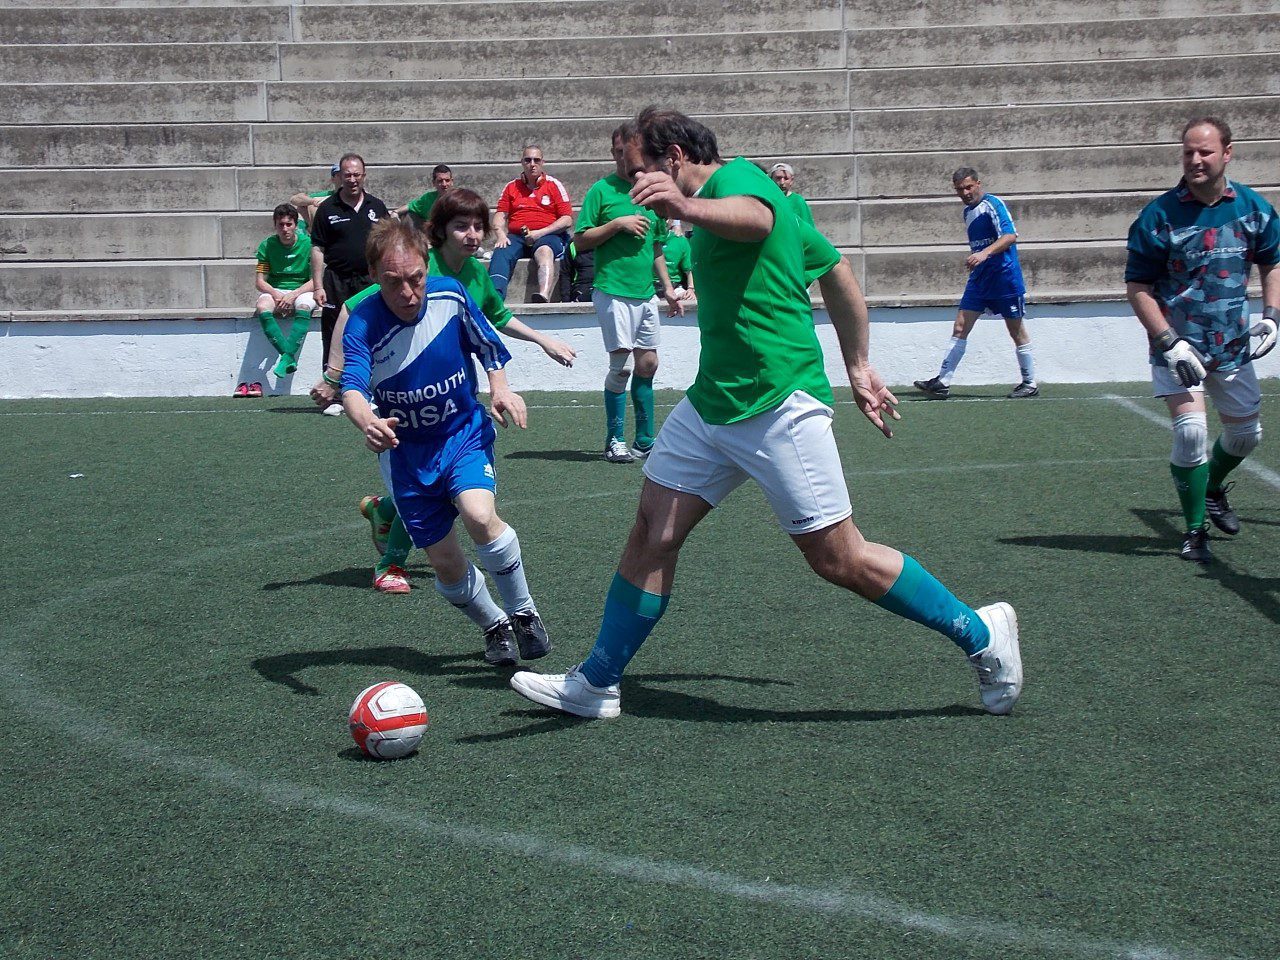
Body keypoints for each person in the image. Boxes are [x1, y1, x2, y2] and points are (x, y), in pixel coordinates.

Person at [509, 107, 1022, 720]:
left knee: (839, 557)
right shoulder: (746, 204)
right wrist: (858, 365)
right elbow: (835, 269)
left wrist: (686, 207)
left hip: (776, 402)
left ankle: (982, 635)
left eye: (641, 167)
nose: (633, 180)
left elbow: (754, 220)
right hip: (715, 402)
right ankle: (598, 682)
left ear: (674, 157)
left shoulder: (739, 184)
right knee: (653, 529)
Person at [315, 189, 577, 593]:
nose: (472, 235)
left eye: (478, 226)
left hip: (451, 401)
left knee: (450, 487)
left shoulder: (473, 274)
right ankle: (392, 562)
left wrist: (541, 341)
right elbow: (353, 308)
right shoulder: (413, 264)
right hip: (402, 402)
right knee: (422, 482)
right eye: (461, 226)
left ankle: (383, 511)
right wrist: (334, 376)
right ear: (438, 231)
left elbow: (496, 319)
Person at [340, 219, 552, 665]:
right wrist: (367, 421)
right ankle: (495, 625)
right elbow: (353, 385)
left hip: (461, 434)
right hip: (408, 456)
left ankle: (524, 612)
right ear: (374, 275)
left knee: (479, 515)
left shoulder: (449, 295)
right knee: (445, 564)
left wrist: (501, 388)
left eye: (415, 278)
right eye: (393, 282)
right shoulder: (361, 323)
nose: (408, 292)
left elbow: (487, 345)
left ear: (426, 265)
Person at [1124, 116, 1280, 563]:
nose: (1195, 159)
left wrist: (1271, 317)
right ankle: (1194, 530)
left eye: (1205, 152)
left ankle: (1212, 488)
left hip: (1233, 346)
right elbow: (1138, 288)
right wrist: (1169, 342)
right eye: (1188, 151)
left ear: (1227, 153)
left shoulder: (1254, 208)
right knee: (1192, 432)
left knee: (1247, 436)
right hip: (1178, 348)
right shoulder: (1158, 216)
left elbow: (1273, 263)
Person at [574, 124, 684, 463]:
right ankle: (614, 440)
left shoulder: (648, 190)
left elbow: (656, 249)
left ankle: (645, 440)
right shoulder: (602, 191)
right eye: (620, 152)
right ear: (613, 153)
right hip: (613, 290)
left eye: (632, 152)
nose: (627, 159)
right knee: (621, 367)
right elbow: (579, 241)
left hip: (644, 293)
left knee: (648, 363)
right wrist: (616, 225)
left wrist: (667, 289)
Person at [914, 167, 1038, 400]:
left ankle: (1030, 382)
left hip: (1004, 277)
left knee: (1016, 330)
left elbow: (1010, 236)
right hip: (980, 280)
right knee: (960, 326)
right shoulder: (967, 212)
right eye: (960, 189)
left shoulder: (993, 204)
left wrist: (984, 254)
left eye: (969, 187)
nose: (965, 193)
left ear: (978, 184)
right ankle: (943, 381)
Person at [311, 153, 391, 415]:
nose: (352, 180)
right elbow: (317, 248)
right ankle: (334, 396)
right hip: (337, 281)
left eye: (357, 174)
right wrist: (317, 285)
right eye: (347, 175)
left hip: (369, 281)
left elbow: (389, 243)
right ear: (339, 177)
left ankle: (371, 392)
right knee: (334, 335)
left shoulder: (376, 206)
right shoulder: (327, 209)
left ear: (364, 175)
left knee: (373, 335)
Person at [488, 143, 574, 303]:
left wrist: (539, 233)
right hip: (517, 237)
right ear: (522, 162)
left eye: (536, 160)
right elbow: (500, 214)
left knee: (545, 252)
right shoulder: (511, 187)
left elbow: (567, 219)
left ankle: (543, 294)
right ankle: (494, 298)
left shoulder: (554, 185)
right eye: (528, 160)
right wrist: (500, 234)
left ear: (543, 163)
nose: (532, 164)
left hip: (548, 235)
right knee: (501, 251)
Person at [249, 203, 316, 385]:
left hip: (303, 289)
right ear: (275, 225)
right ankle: (287, 356)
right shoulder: (267, 245)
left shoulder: (308, 244)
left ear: (295, 225)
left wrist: (293, 295)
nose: (285, 229)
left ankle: (285, 357)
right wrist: (276, 294)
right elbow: (260, 281)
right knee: (262, 306)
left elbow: (316, 280)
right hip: (276, 289)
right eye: (281, 225)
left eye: (289, 224)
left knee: (304, 305)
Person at [397, 164, 454, 230]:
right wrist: (395, 212)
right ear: (433, 183)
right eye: (440, 181)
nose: (444, 184)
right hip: (432, 233)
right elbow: (410, 206)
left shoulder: (459, 198)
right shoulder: (428, 198)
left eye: (447, 180)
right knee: (408, 216)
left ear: (452, 181)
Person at [289, 163, 340, 235]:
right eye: (339, 175)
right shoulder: (325, 196)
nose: (342, 178)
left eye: (345, 175)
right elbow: (294, 199)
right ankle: (302, 240)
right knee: (301, 208)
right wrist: (312, 201)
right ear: (332, 179)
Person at [767, 161, 815, 226]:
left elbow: (808, 228)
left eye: (786, 178)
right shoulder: (766, 200)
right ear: (771, 179)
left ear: (791, 181)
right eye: (778, 178)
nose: (782, 182)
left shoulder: (798, 201)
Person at [656, 218, 694, 299]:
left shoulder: (680, 241)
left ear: (671, 221)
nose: (663, 222)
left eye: (665, 219)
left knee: (687, 297)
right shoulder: (645, 240)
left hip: (675, 286)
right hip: (650, 286)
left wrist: (691, 289)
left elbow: (689, 269)